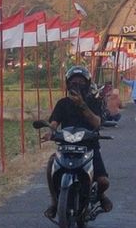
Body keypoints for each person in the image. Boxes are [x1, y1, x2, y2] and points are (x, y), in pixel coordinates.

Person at [43, 65, 112, 219]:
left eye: (81, 82)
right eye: (74, 82)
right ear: (68, 84)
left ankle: (100, 196)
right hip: (66, 147)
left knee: (103, 182)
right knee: (51, 166)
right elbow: (54, 122)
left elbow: (97, 123)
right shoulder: (62, 103)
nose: (77, 85)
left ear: (87, 84)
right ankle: (55, 203)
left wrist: (82, 104)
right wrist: (50, 132)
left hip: (89, 147)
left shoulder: (94, 102)